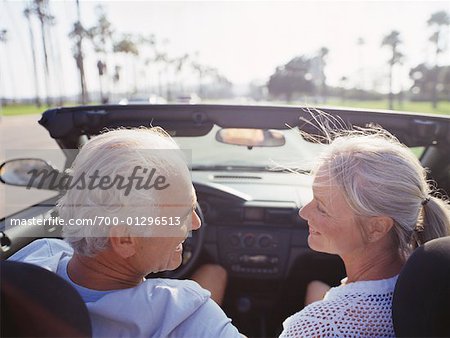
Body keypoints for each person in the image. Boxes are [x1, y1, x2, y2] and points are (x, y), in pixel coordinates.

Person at [9, 128, 242, 338]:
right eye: (183, 213)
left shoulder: (33, 259)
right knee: (215, 271)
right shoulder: (186, 317)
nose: (196, 223)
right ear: (124, 239)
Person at [280, 126, 450, 337]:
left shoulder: (320, 327)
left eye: (322, 207)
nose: (304, 212)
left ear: (376, 227)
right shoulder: (430, 286)